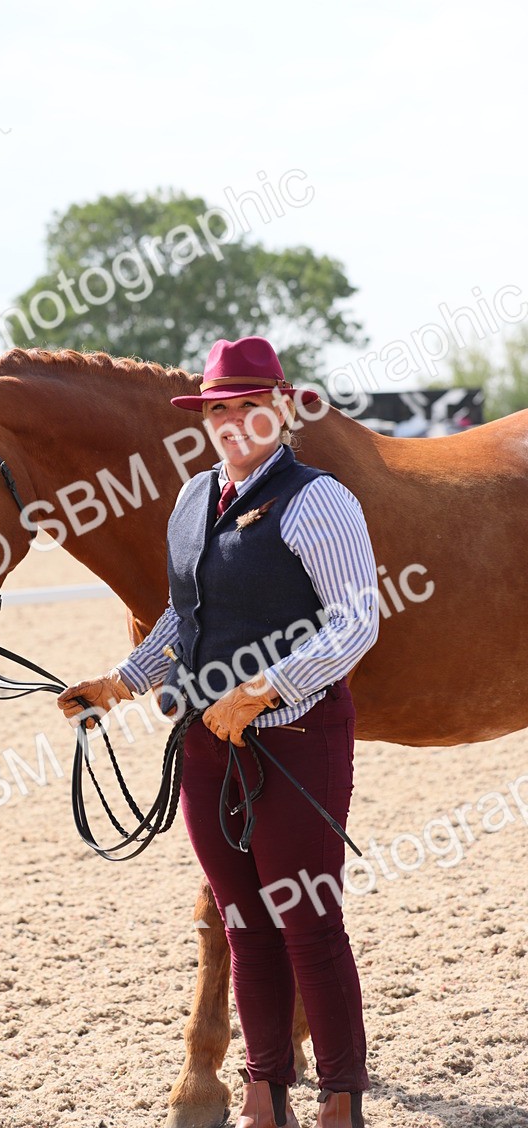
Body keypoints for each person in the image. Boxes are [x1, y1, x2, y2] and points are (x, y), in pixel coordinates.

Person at [58, 337, 378, 1128]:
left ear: (282, 409)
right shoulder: (194, 497)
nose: (234, 422)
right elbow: (185, 615)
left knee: (309, 923)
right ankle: (265, 1092)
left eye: (249, 407)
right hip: (205, 745)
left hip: (296, 738)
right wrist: (122, 682)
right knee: (243, 925)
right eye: (219, 410)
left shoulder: (320, 501)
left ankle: (342, 1099)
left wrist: (267, 688)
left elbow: (356, 621)